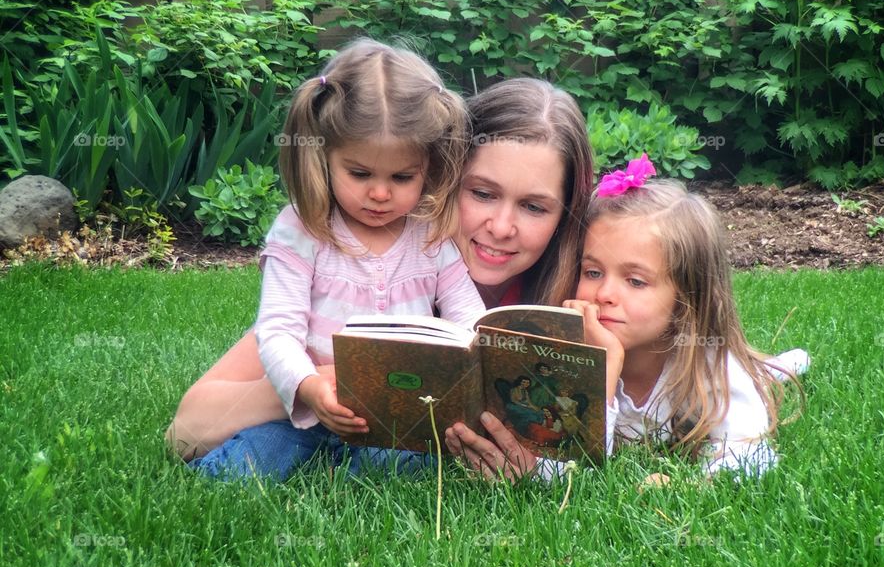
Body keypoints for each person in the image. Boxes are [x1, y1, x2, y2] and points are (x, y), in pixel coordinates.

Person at [166, 74, 594, 472]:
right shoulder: (360, 273)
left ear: (565, 216)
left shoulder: (569, 307)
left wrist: (533, 469)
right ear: (439, 178)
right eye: (481, 193)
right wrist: (334, 380)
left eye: (534, 206)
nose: (501, 227)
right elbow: (186, 432)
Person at [187, 39, 486, 481]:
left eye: (402, 177)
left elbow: (468, 316)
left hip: (395, 416)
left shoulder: (431, 236)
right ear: (323, 157)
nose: (380, 193)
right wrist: (308, 388)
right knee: (246, 466)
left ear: (430, 164)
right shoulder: (303, 230)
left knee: (406, 472)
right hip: (304, 411)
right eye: (359, 173)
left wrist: (477, 354)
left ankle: (348, 471)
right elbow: (277, 329)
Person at [445, 157, 808, 485]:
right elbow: (571, 464)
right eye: (592, 271)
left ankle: (775, 367)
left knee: (756, 377)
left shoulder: (711, 369)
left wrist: (692, 486)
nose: (604, 294)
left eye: (635, 281)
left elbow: (749, 459)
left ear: (686, 299)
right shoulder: (567, 356)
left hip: (722, 369)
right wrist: (598, 373)